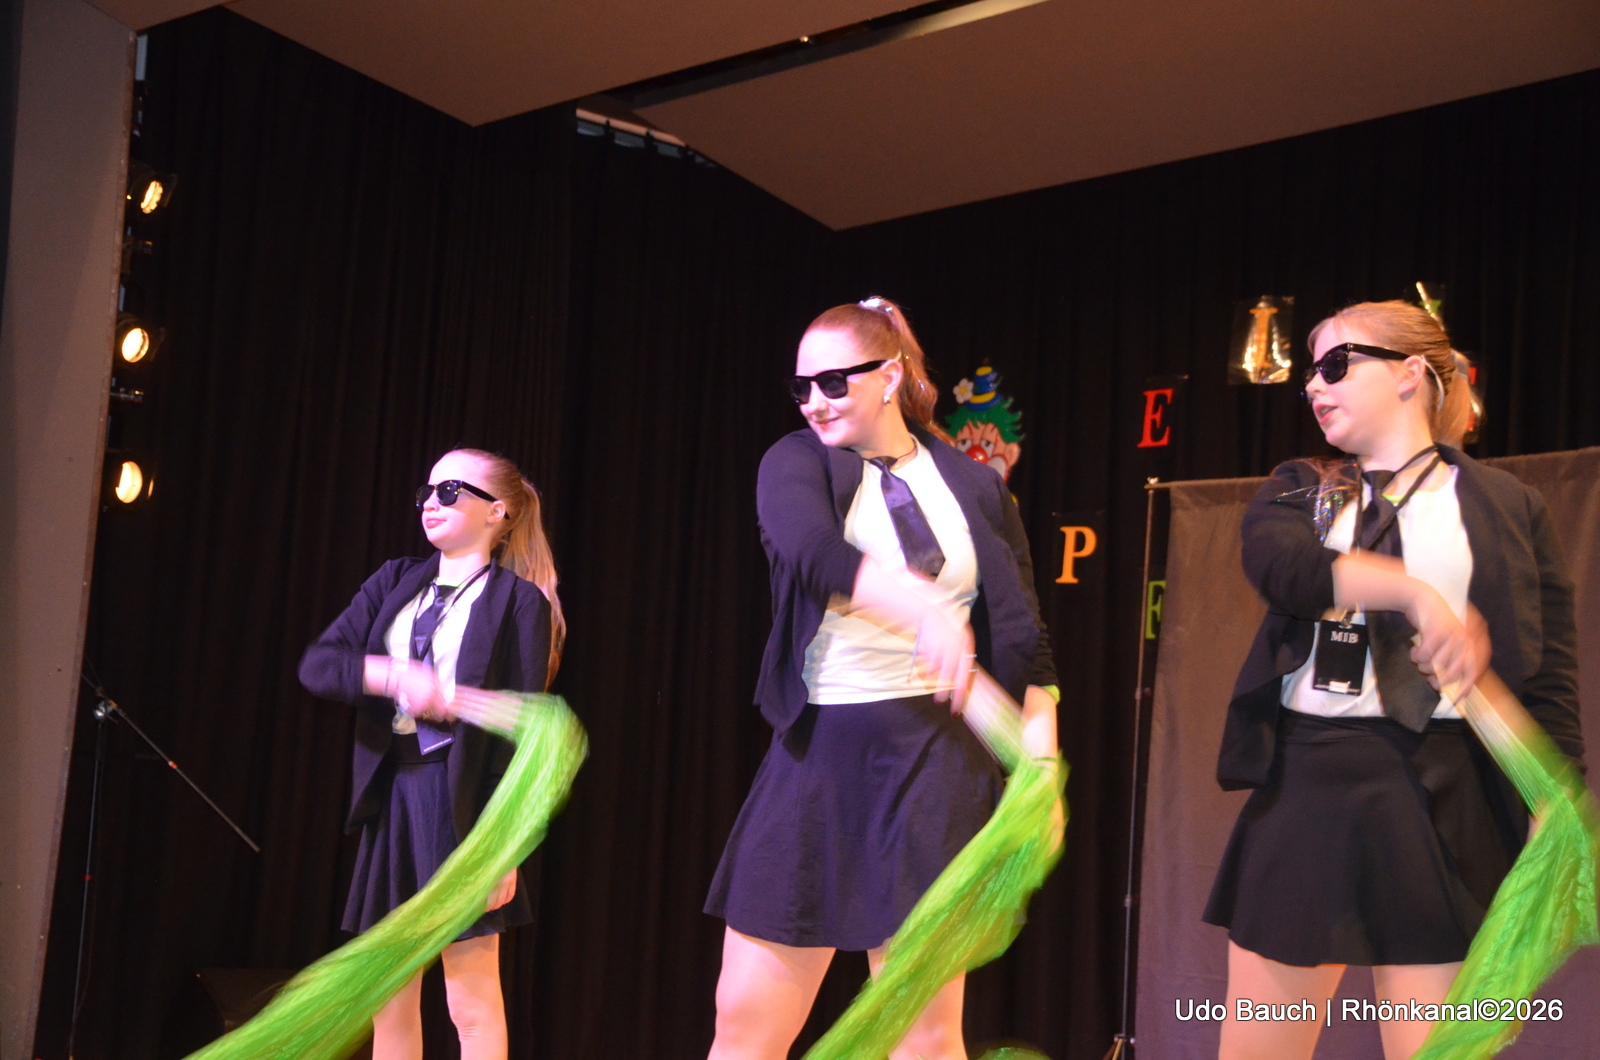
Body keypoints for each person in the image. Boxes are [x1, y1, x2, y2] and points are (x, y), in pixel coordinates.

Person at [1203, 301, 1584, 1060]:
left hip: (1448, 793)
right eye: (1310, 372)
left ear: (1410, 373)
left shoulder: (1509, 504)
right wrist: (1415, 594)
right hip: (1310, 783)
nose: (1315, 385)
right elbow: (1285, 569)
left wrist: (1556, 797)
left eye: (1336, 364)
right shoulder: (1300, 486)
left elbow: (1549, 672)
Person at [703, 297, 1060, 1060]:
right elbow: (812, 554)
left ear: (891, 375)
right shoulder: (796, 461)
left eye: (834, 382)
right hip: (819, 754)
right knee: (746, 1021)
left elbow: (1025, 635)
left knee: (923, 1035)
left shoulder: (974, 485)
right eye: (801, 387)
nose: (814, 402)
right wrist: (923, 611)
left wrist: (1040, 764)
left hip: (935, 762)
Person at [299, 449, 565, 1060]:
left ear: (498, 511)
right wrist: (392, 675)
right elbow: (320, 664)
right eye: (427, 491)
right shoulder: (395, 579)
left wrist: (502, 848)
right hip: (393, 796)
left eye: (450, 491)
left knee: (469, 999)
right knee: (388, 995)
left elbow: (517, 738)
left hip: (458, 805)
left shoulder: (517, 602)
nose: (430, 503)